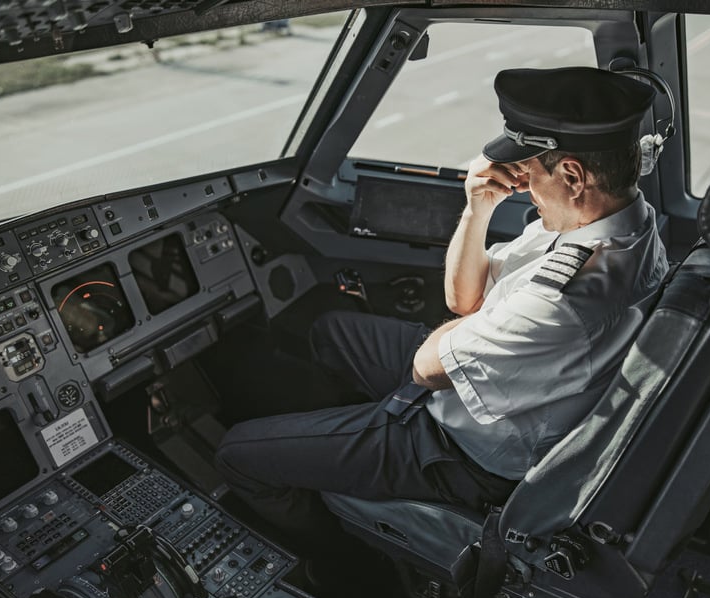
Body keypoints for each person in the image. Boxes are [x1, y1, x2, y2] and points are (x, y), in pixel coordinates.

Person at [215, 67, 668, 553]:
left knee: (237, 453)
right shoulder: (619, 225)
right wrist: (478, 208)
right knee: (332, 330)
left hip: (461, 451)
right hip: (484, 383)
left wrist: (470, 330)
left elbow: (426, 368)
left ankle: (328, 552)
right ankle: (335, 439)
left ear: (573, 176)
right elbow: (462, 302)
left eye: (531, 171)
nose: (527, 187)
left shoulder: (566, 294)